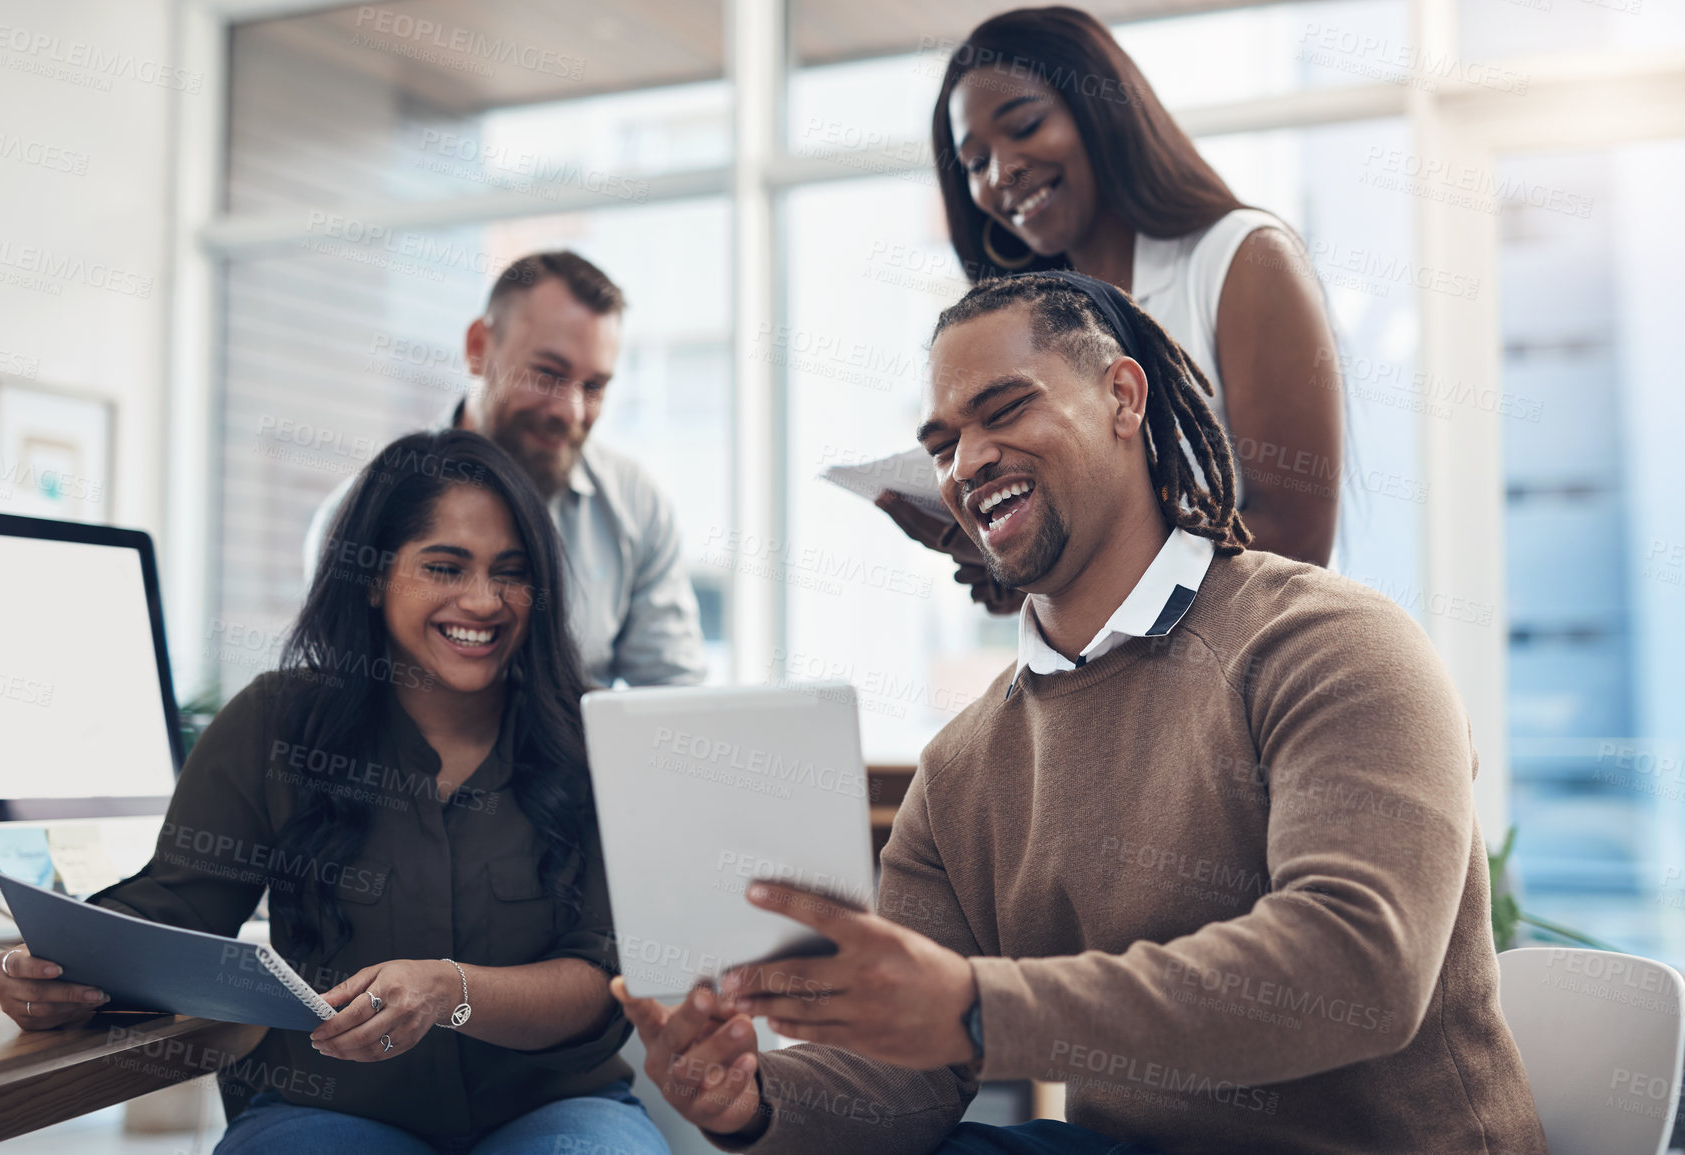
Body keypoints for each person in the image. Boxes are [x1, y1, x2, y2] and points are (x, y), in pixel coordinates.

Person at [614, 274, 1544, 1154]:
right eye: (942, 444)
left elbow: (1357, 968)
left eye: (1005, 409)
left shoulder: (1329, 643)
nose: (968, 462)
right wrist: (757, 1101)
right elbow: (905, 1079)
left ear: (1123, 398)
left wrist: (980, 1007)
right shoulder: (966, 766)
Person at [0, 430, 670, 1155]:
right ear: (373, 576)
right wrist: (47, 972)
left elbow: (600, 980)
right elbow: (176, 911)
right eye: (444, 566)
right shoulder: (275, 723)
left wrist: (449, 987)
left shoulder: (593, 738)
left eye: (511, 572)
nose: (483, 600)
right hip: (330, 1111)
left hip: (555, 1109)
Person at [879, 6, 1344, 612]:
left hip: (1253, 667)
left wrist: (1078, 572)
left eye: (1024, 125)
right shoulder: (1036, 323)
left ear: (1101, 110)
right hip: (1106, 680)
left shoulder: (1246, 259)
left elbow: (1298, 540)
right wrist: (1022, 560)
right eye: (973, 163)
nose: (1001, 172)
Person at [304, 250, 706, 689]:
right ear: (479, 348)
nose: (569, 411)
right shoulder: (362, 513)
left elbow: (670, 697)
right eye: (547, 374)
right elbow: (342, 696)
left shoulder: (635, 505)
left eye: (593, 387)